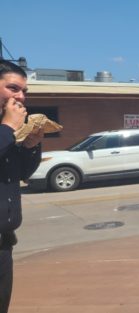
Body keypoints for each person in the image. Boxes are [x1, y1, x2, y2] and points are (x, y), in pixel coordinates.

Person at [0, 60, 44, 313]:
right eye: (13, 88)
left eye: (24, 91)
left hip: (4, 245)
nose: (21, 97)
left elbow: (23, 173)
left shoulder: (9, 132)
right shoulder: (7, 129)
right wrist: (7, 127)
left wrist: (30, 146)